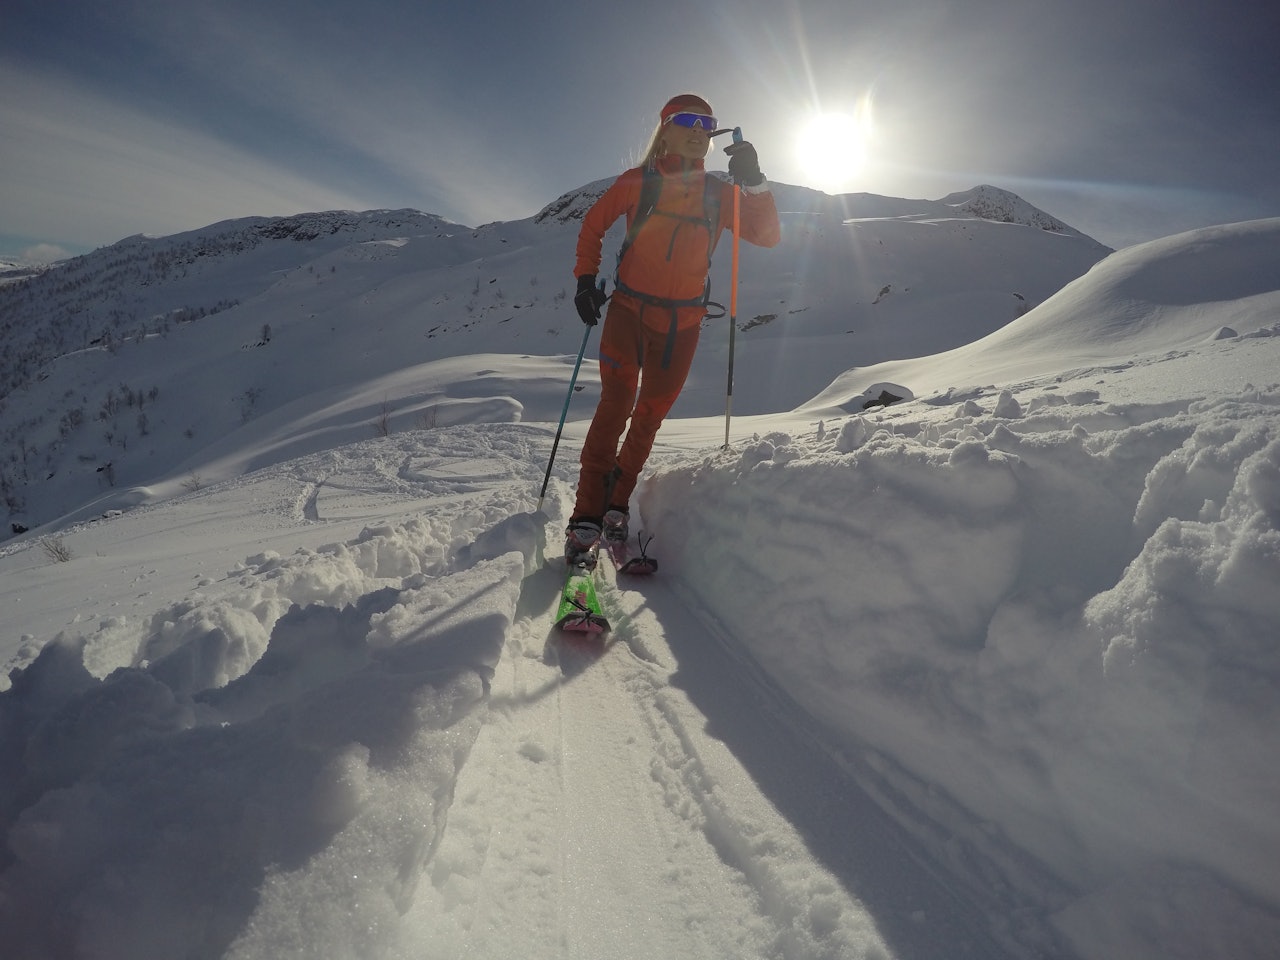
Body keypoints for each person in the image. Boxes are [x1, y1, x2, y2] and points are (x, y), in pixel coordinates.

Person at [566, 93, 781, 562]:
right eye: (687, 120)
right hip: (627, 313)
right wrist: (585, 279)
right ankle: (586, 515)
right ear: (665, 129)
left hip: (682, 325)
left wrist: (754, 182)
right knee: (615, 406)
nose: (698, 130)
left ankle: (617, 504)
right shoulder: (638, 182)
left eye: (707, 123)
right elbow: (592, 226)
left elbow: (767, 236)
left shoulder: (719, 193)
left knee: (649, 417)